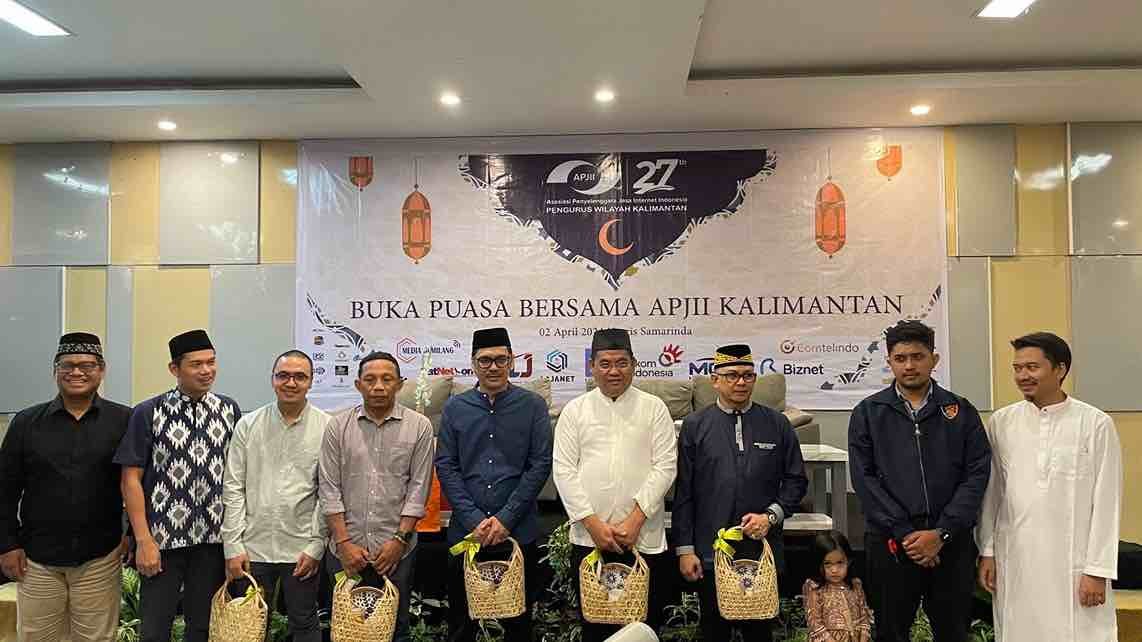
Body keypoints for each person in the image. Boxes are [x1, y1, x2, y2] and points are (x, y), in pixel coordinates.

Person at [848, 320, 991, 642]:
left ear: (934, 359)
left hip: (951, 544)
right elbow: (864, 478)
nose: (909, 366)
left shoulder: (960, 411)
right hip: (892, 544)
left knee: (953, 632)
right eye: (900, 358)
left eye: (917, 356)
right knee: (890, 632)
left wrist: (942, 532)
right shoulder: (868, 413)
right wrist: (906, 534)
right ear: (889, 362)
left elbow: (977, 474)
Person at [976, 332, 1121, 641]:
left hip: (1074, 565)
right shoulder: (1002, 422)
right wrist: (988, 551)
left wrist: (1097, 570)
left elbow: (1107, 500)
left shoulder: (1094, 423)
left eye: (1032, 367)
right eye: (1017, 368)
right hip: (1017, 560)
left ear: (1060, 369)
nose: (1022, 376)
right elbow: (992, 493)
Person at [0, 333, 131, 642]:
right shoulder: (26, 423)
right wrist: (7, 545)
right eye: (67, 365)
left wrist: (130, 535)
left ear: (101, 370)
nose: (76, 372)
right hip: (36, 559)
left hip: (100, 557)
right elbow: (5, 489)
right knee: (37, 638)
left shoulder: (124, 420)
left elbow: (136, 484)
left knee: (96, 638)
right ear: (55, 370)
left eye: (87, 365)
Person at [673, 343, 808, 641]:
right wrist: (685, 550)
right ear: (715, 380)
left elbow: (796, 481)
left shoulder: (777, 424)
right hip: (711, 552)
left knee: (760, 632)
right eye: (732, 375)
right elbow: (684, 491)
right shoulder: (695, 426)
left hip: (762, 550)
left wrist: (770, 517)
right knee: (713, 631)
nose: (740, 382)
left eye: (748, 375)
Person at [114, 329, 241, 642]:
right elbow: (130, 479)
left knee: (203, 628)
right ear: (175, 369)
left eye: (211, 362)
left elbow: (238, 477)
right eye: (196, 364)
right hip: (162, 542)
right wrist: (143, 540)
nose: (206, 370)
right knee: (155, 629)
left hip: (212, 542)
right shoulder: (148, 412)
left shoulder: (229, 410)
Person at [552, 328, 677, 641]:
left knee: (643, 627)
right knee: (596, 627)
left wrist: (635, 520)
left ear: (634, 364)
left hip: (642, 537)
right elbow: (564, 471)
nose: (613, 371)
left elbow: (665, 466)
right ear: (592, 367)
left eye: (621, 363)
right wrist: (593, 524)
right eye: (605, 364)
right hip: (590, 538)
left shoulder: (654, 408)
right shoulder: (575, 410)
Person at [436, 328, 553, 642]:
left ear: (512, 361)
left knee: (519, 624)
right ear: (473, 363)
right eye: (485, 360)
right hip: (467, 533)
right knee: (462, 623)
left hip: (517, 532)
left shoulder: (533, 406)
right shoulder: (455, 408)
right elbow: (446, 465)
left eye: (501, 359)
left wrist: (506, 518)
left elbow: (540, 464)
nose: (493, 367)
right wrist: (474, 519)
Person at [318, 351, 434, 642]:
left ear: (400, 384)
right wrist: (344, 543)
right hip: (345, 549)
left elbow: (419, 488)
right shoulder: (338, 426)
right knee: (346, 629)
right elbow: (329, 487)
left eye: (387, 379)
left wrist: (399, 541)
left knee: (395, 628)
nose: (378, 386)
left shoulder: (419, 426)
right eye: (370, 380)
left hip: (396, 551)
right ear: (358, 385)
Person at [221, 350, 330, 642]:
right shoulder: (248, 425)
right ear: (272, 379)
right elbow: (233, 487)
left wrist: (316, 545)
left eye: (300, 377)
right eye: (283, 375)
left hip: (301, 548)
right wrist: (233, 545)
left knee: (304, 622)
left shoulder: (327, 428)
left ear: (311, 381)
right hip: (251, 547)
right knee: (249, 627)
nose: (291, 383)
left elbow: (329, 492)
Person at [803, 531, 873, 642]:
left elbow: (864, 618)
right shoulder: (815, 588)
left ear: (849, 561)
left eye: (840, 562)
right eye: (827, 563)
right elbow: (815, 624)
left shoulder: (855, 585)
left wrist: (863, 638)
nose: (834, 570)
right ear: (818, 563)